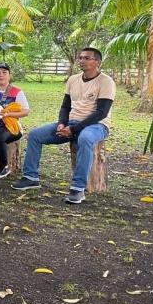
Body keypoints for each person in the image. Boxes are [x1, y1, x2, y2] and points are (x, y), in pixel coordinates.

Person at [12, 47, 115, 204]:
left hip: (97, 125)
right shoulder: (73, 79)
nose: (81, 60)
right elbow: (65, 107)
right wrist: (61, 124)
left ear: (97, 62)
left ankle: (78, 189)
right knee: (35, 135)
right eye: (80, 57)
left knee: (85, 139)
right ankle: (30, 177)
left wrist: (73, 129)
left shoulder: (106, 82)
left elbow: (101, 112)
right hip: (70, 123)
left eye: (86, 58)